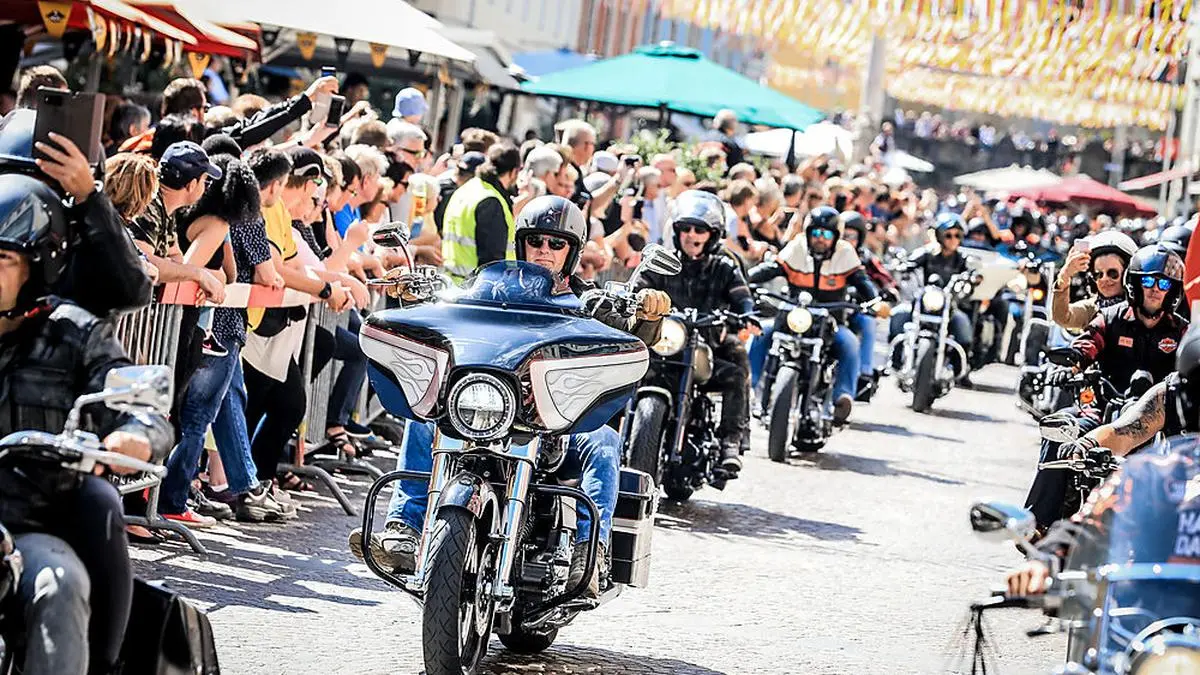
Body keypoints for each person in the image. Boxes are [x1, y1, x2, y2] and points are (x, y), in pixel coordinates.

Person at [350, 196, 670, 597]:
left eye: (557, 244)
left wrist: (649, 316)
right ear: (521, 244)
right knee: (424, 414)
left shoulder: (592, 303)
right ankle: (405, 530)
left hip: (558, 426)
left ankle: (591, 553)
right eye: (536, 241)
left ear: (572, 250)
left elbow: (635, 339)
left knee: (605, 440)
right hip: (487, 410)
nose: (544, 251)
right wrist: (414, 293)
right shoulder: (486, 291)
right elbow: (449, 315)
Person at [0, 172, 172, 675]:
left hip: (28, 519)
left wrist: (132, 435)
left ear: (38, 265)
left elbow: (139, 403)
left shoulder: (75, 334)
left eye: (3, 259)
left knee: (61, 582)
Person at [157, 153, 292, 526]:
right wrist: (216, 269)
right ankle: (173, 498)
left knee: (201, 413)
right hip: (216, 330)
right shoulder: (217, 223)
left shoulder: (198, 219)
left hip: (206, 329)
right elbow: (204, 272)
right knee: (197, 419)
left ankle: (193, 492)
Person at [1024, 244, 1189, 530]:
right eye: (1147, 280)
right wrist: (1070, 364)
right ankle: (1038, 525)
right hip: (1101, 408)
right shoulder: (1111, 317)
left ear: (1172, 290)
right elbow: (1087, 343)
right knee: (1060, 430)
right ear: (1135, 283)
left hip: (1158, 421)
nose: (1154, 289)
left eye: (1163, 283)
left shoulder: (1182, 330)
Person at [632, 190, 760, 474]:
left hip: (706, 346)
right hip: (663, 343)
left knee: (737, 369)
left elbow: (742, 295)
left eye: (699, 229)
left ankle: (731, 441)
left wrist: (747, 314)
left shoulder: (724, 267)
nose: (692, 235)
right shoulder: (662, 262)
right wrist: (633, 299)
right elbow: (639, 286)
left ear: (713, 234)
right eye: (686, 229)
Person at [748, 206, 888, 424]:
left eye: (826, 234)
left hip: (830, 320)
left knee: (850, 342)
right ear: (808, 232)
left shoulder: (845, 252)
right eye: (816, 233)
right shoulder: (797, 247)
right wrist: (745, 281)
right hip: (794, 317)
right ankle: (750, 384)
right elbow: (771, 268)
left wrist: (874, 301)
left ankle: (842, 396)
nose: (820, 239)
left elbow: (862, 281)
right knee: (761, 332)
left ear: (836, 236)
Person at [888, 213, 974, 362]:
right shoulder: (928, 253)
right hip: (924, 301)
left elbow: (972, 272)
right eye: (948, 235)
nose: (953, 240)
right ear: (939, 236)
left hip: (949, 304)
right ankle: (894, 360)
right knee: (898, 316)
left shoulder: (963, 259)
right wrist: (901, 265)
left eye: (957, 235)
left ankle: (959, 368)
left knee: (964, 328)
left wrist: (974, 277)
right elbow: (909, 261)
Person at [441, 142, 521, 282]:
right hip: (476, 293)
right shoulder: (491, 201)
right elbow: (492, 263)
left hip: (452, 284)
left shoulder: (465, 190)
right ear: (514, 172)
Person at [1051, 230, 1137, 331]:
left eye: (1112, 273)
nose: (1104, 279)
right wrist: (1065, 275)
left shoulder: (1141, 309)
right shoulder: (1091, 309)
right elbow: (1063, 318)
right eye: (1098, 274)